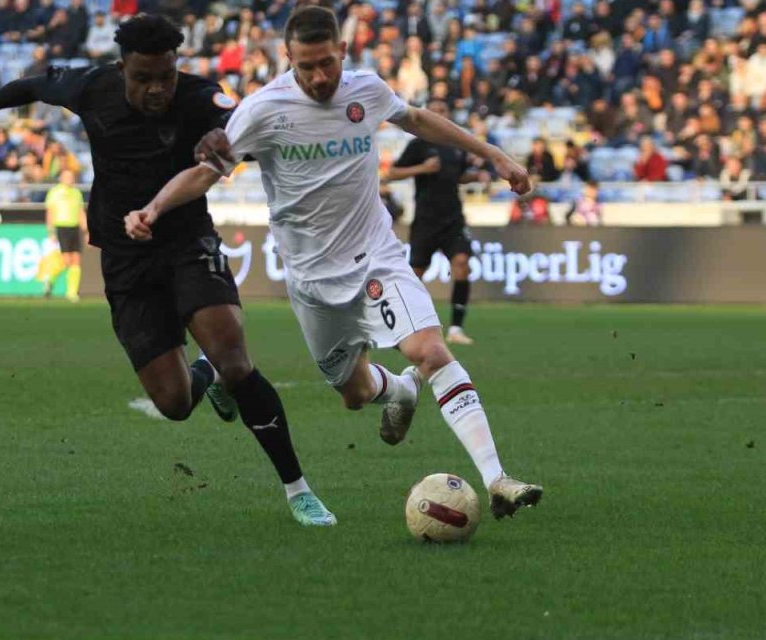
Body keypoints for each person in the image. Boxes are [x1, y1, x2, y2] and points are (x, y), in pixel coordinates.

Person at [128, 6, 543, 519]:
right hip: (311, 283)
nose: (321, 77)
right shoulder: (263, 110)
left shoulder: (365, 89)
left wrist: (495, 155)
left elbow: (414, 118)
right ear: (288, 59)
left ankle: (496, 478)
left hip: (376, 259)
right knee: (355, 392)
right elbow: (205, 173)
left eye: (328, 63)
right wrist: (154, 208)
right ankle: (399, 390)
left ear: (343, 51)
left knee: (430, 350)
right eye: (308, 67)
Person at [0, 14, 333, 527]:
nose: (156, 89)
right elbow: (32, 84)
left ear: (177, 66)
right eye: (143, 77)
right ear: (122, 67)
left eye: (166, 76)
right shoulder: (90, 86)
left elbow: (239, 123)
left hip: (187, 238)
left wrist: (224, 136)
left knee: (235, 355)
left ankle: (298, 490)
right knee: (173, 402)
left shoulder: (199, 96)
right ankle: (204, 373)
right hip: (124, 256)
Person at [383, 97, 485, 346]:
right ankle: (401, 327)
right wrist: (422, 169)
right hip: (426, 220)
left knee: (462, 264)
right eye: (434, 111)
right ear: (427, 114)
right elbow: (392, 174)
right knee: (415, 275)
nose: (439, 114)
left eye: (443, 110)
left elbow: (457, 176)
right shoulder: (418, 146)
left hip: (453, 219)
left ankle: (456, 328)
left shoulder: (457, 146)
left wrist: (473, 177)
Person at [42, 169, 86, 302]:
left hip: (75, 228)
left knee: (76, 260)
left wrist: (86, 230)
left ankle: (71, 293)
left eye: (71, 176)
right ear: (61, 178)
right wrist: (51, 231)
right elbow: (50, 212)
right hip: (61, 227)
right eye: (66, 176)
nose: (69, 179)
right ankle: (49, 279)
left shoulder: (77, 193)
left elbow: (80, 212)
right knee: (66, 261)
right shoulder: (54, 192)